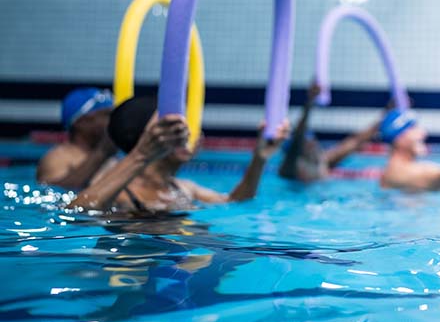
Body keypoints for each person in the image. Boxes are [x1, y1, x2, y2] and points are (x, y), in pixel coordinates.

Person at [68, 96, 289, 214]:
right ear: (148, 137)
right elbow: (76, 213)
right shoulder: (121, 192)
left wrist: (259, 158)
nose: (186, 134)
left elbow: (235, 202)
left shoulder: (183, 188)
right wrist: (142, 155)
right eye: (174, 129)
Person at [279, 82, 382, 183]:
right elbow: (299, 134)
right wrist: (309, 102)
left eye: (312, 139)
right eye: (307, 142)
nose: (313, 143)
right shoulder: (289, 168)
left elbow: (355, 141)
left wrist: (386, 116)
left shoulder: (323, 161)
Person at [37, 87, 117, 189]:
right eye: (106, 115)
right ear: (80, 122)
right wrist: (102, 153)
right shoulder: (57, 158)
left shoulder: (112, 158)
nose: (113, 120)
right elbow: (54, 193)